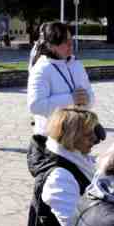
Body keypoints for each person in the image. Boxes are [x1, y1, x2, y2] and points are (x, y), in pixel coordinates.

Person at [27, 22, 94, 173]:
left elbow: (90, 96)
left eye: (71, 40)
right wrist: (71, 99)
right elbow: (35, 105)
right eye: (65, 42)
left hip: (78, 139)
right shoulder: (41, 69)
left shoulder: (76, 65)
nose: (71, 45)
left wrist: (87, 100)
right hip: (52, 142)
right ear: (51, 45)